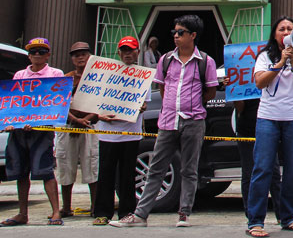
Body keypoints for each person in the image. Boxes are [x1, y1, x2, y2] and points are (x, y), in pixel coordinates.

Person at [110, 14, 218, 228]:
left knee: (189, 168)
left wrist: (192, 106)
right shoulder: (166, 59)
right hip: (168, 121)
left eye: (181, 32)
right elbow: (162, 86)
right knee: (156, 168)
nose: (176, 36)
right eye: (174, 32)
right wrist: (171, 107)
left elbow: (210, 92)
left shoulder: (206, 61)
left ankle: (184, 213)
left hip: (194, 120)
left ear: (193, 35)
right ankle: (140, 215)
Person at [246, 16, 293, 236]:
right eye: (281, 29)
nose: (286, 32)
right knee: (263, 168)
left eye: (290, 29)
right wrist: (280, 64)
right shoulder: (264, 56)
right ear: (274, 34)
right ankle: (255, 221)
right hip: (268, 118)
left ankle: (288, 218)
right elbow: (259, 82)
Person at [0, 37, 64, 226]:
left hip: (42, 130)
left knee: (45, 171)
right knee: (20, 172)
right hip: (19, 131)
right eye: (33, 51)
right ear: (28, 55)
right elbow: (14, 102)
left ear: (48, 55)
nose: (37, 55)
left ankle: (55, 212)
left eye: (41, 51)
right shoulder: (19, 75)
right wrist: (10, 121)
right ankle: (22, 213)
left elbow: (57, 102)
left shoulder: (55, 73)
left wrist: (36, 120)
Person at [93, 37, 148, 225]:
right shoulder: (106, 73)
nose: (127, 53)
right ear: (118, 53)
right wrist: (100, 116)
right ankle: (102, 212)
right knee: (105, 174)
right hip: (107, 133)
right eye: (124, 50)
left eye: (131, 50)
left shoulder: (143, 76)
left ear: (138, 53)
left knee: (127, 175)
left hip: (130, 133)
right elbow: (95, 101)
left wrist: (140, 107)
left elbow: (144, 103)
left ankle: (127, 212)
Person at [56, 41, 99, 218]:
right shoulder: (65, 79)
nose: (80, 57)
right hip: (68, 126)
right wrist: (75, 120)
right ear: (72, 59)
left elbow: (101, 105)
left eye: (83, 53)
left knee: (92, 165)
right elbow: (59, 104)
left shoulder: (98, 78)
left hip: (91, 126)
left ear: (89, 56)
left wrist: (85, 120)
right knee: (66, 166)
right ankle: (66, 207)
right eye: (76, 54)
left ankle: (96, 206)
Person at [235, 99, 280, 222]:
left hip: (270, 125)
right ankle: (252, 216)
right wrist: (234, 92)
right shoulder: (244, 81)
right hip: (248, 128)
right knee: (249, 172)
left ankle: (282, 215)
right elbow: (240, 107)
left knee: (274, 172)